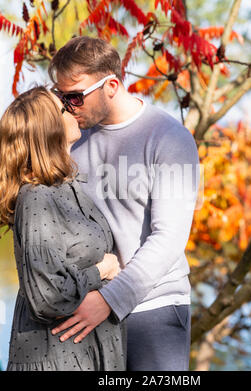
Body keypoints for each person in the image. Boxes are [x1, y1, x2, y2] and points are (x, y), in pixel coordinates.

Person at [49, 36, 201, 371]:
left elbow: (170, 239)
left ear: (112, 85)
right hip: (85, 309)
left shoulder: (170, 139)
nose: (67, 107)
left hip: (153, 309)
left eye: (75, 96)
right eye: (60, 97)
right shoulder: (71, 141)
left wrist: (109, 299)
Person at [0, 86, 126, 371]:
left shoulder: (71, 188)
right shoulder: (36, 197)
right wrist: (102, 272)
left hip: (90, 354)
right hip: (56, 358)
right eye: (64, 106)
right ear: (49, 127)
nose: (73, 109)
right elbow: (47, 296)